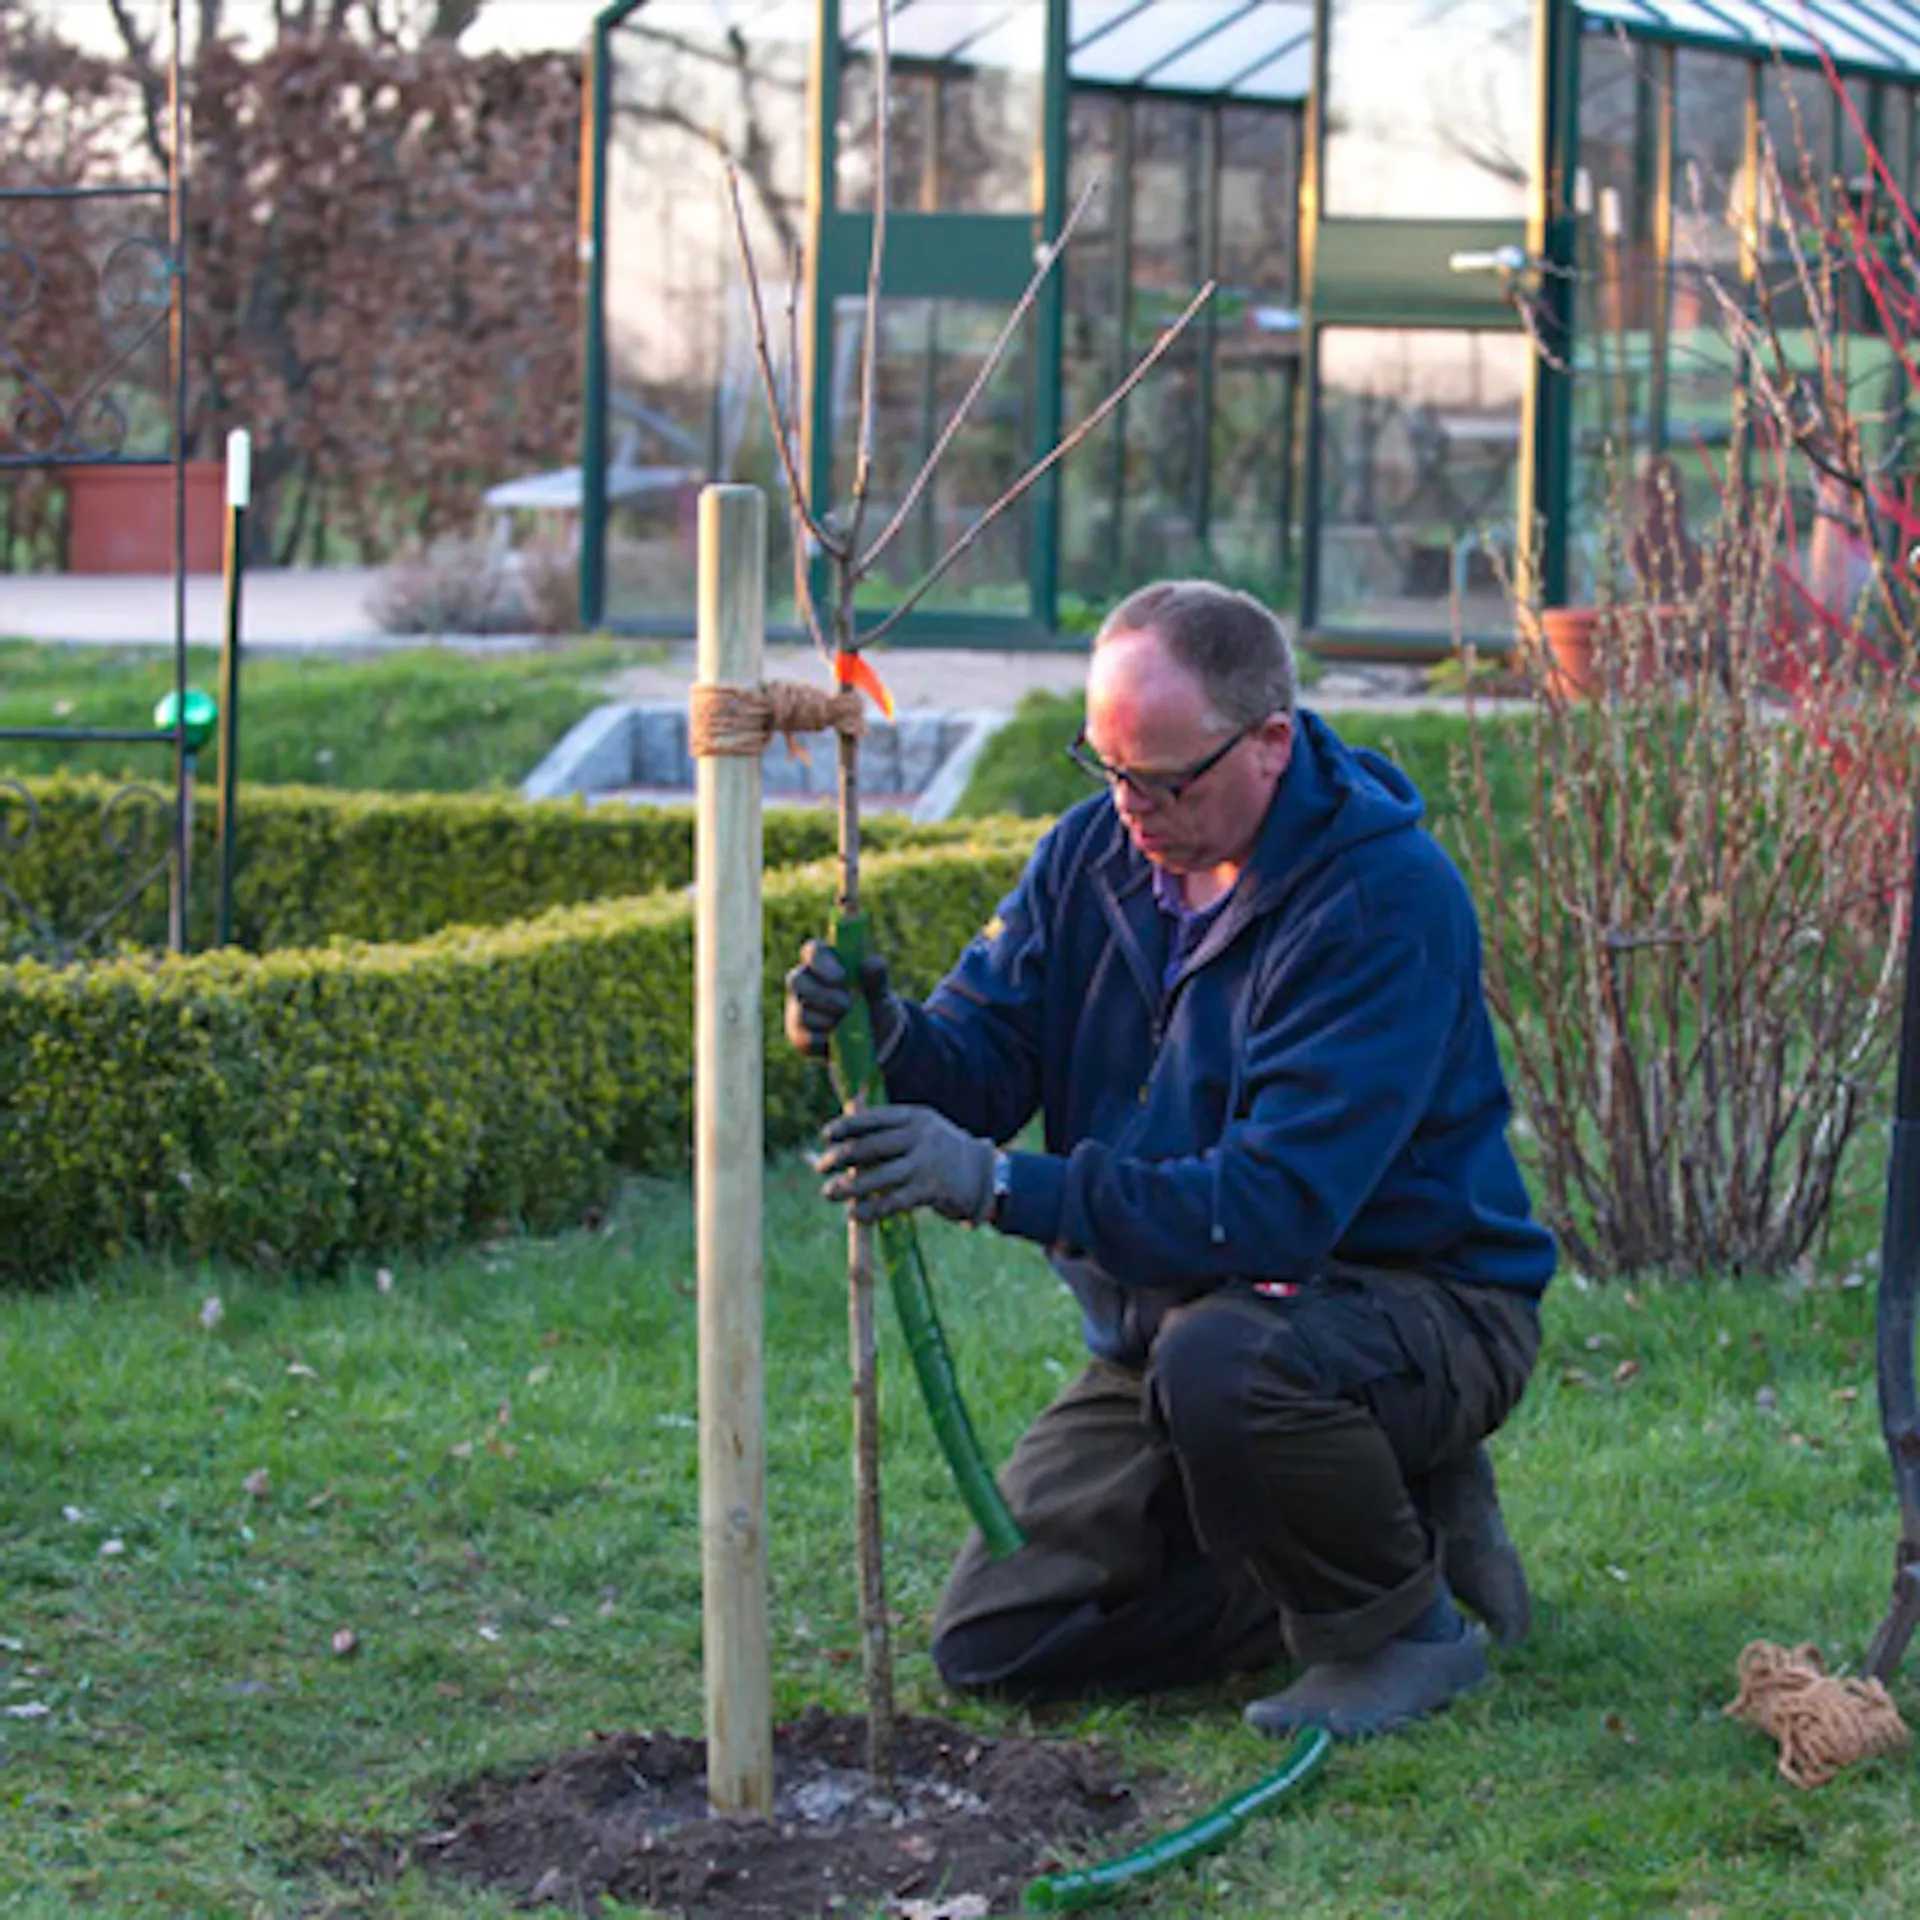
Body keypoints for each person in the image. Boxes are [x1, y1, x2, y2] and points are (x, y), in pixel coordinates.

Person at [784, 580, 1555, 1739]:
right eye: (1105, 766)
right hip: (1177, 1326)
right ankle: (1391, 1532)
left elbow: (1274, 1208)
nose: (1129, 806)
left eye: (1161, 778)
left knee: (1228, 1368)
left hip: (1411, 1302)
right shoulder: (1093, 852)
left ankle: (1399, 1636)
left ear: (1271, 744)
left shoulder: (1381, 902)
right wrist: (885, 1038)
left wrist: (994, 1184)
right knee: (1000, 1643)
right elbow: (989, 1062)